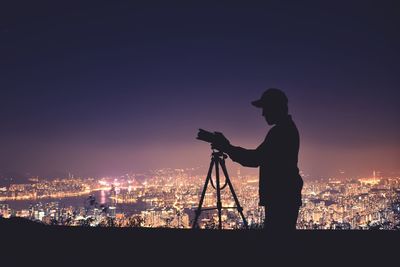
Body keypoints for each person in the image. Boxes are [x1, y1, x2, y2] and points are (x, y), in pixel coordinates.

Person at [211, 88, 303, 231]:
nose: (263, 113)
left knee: (278, 240)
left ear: (275, 107)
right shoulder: (286, 129)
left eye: (266, 108)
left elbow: (255, 158)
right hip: (285, 194)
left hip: (280, 196)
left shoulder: (280, 132)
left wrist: (227, 147)